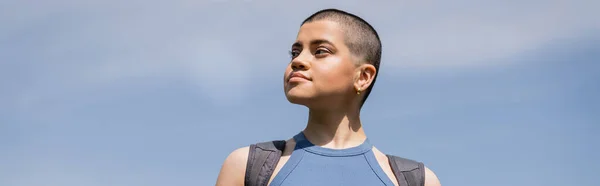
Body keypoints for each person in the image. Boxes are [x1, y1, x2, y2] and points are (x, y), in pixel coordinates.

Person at [216, 8, 441, 186]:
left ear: (363, 76)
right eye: (295, 52)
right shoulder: (246, 168)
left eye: (320, 51)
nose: (297, 61)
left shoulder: (417, 181)